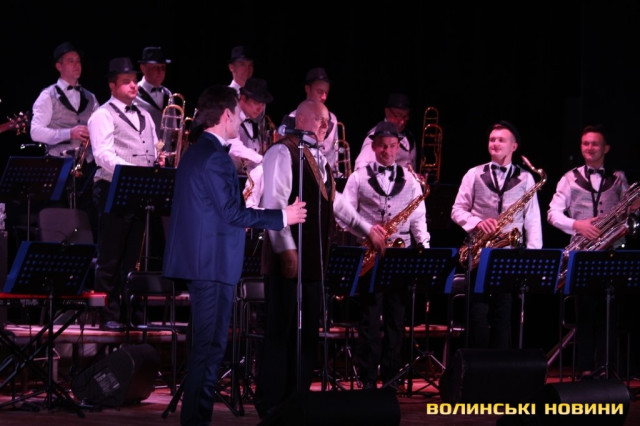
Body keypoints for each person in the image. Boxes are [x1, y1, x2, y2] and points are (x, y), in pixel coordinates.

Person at [161, 84, 307, 426]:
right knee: (209, 350)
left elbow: (215, 211)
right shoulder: (214, 157)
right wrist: (282, 216)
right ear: (226, 114)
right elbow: (232, 212)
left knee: (206, 349)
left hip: (205, 263)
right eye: (238, 115)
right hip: (211, 266)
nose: (241, 121)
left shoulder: (197, 152)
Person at [254, 99, 387, 419]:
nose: (325, 126)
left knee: (307, 336)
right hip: (287, 262)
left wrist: (367, 229)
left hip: (314, 264)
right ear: (301, 119)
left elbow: (336, 204)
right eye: (319, 120)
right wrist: (286, 248)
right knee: (281, 333)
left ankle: (297, 400)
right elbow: (274, 202)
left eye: (327, 121)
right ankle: (271, 403)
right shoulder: (283, 151)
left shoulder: (318, 159)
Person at [338, 121, 430, 390]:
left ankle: (391, 378)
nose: (387, 152)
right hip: (369, 256)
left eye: (392, 146)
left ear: (398, 147)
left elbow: (418, 218)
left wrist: (424, 248)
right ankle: (367, 378)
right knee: (368, 319)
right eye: (382, 146)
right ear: (374, 147)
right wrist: (365, 232)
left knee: (396, 320)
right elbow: (343, 216)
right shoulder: (358, 177)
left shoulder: (411, 180)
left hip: (400, 256)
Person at [547, 124, 634, 379]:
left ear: (606, 148)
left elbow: (628, 210)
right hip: (582, 253)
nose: (589, 148)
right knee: (585, 313)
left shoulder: (618, 179)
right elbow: (552, 214)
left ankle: (607, 368)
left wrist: (633, 205)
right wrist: (577, 225)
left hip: (612, 253)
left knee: (611, 313)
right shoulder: (569, 178)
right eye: (585, 143)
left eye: (595, 144)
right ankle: (585, 370)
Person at [450, 120, 542, 348]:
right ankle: (477, 364)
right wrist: (478, 222)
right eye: (492, 139)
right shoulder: (473, 174)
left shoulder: (527, 178)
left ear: (514, 146)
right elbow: (457, 210)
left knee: (504, 314)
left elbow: (532, 218)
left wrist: (533, 256)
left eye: (501, 140)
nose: (495, 143)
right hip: (479, 252)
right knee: (477, 315)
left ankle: (501, 365)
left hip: (509, 255)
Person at [87, 57, 158, 331]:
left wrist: (156, 162)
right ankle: (106, 315)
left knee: (132, 258)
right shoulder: (102, 115)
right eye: (126, 82)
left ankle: (130, 313)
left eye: (134, 81)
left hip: (139, 191)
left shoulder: (145, 115)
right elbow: (103, 155)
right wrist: (133, 171)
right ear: (112, 85)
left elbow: (151, 148)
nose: (133, 86)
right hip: (112, 189)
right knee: (110, 257)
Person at [30, 41, 99, 217]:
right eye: (70, 61)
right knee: (60, 218)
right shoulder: (47, 95)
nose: (77, 65)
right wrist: (69, 133)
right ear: (59, 66)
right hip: (58, 167)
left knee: (85, 218)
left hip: (86, 167)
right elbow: (35, 132)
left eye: (78, 61)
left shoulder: (91, 97)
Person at [280, 67, 343, 177]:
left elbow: (334, 153)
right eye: (319, 92)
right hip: (303, 174)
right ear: (307, 89)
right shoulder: (294, 117)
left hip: (327, 175)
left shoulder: (332, 118)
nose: (324, 97)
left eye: (326, 93)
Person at [354, 93, 417, 171]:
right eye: (398, 115)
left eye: (405, 117)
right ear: (387, 112)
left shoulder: (409, 136)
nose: (402, 122)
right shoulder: (377, 136)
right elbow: (361, 168)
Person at [227, 77, 273, 174]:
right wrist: (263, 160)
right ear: (243, 98)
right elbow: (235, 147)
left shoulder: (254, 121)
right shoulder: (231, 115)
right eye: (256, 103)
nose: (260, 109)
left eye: (263, 104)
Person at [135, 46, 173, 140]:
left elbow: (173, 129)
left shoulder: (168, 94)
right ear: (143, 68)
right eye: (155, 67)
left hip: (166, 148)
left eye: (163, 68)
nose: (160, 72)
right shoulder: (132, 94)